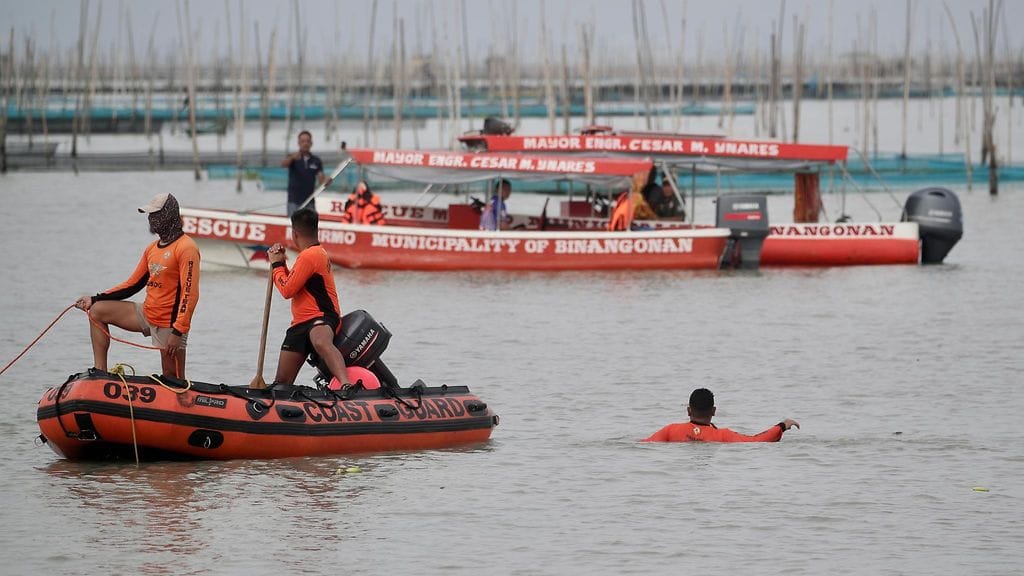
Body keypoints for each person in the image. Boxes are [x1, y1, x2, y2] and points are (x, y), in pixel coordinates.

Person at [75, 193, 201, 378]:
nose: (151, 220)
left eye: (155, 215)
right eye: (150, 216)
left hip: (170, 323)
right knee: (97, 311)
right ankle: (100, 374)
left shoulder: (186, 248)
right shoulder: (151, 249)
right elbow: (132, 284)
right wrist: (94, 298)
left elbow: (190, 295)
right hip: (148, 313)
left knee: (173, 380)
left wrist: (178, 331)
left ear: (169, 215)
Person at [267, 208, 350, 390]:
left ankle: (346, 385)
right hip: (300, 323)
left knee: (320, 340)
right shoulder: (312, 254)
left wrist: (276, 264)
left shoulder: (310, 256)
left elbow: (286, 290)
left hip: (322, 316)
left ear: (294, 233)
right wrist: (281, 263)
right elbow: (294, 284)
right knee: (282, 382)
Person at [643, 388, 800, 443]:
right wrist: (782, 425)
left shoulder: (670, 430)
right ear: (714, 411)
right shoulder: (723, 435)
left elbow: (644, 444)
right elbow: (757, 441)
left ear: (689, 410)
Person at [282, 130, 332, 216]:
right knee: (293, 226)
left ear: (311, 143)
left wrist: (326, 181)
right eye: (303, 141)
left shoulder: (316, 161)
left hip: (309, 201)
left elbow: (321, 180)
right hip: (294, 201)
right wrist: (292, 158)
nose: (305, 144)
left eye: (308, 141)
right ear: (299, 143)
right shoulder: (293, 157)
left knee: (310, 225)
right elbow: (284, 164)